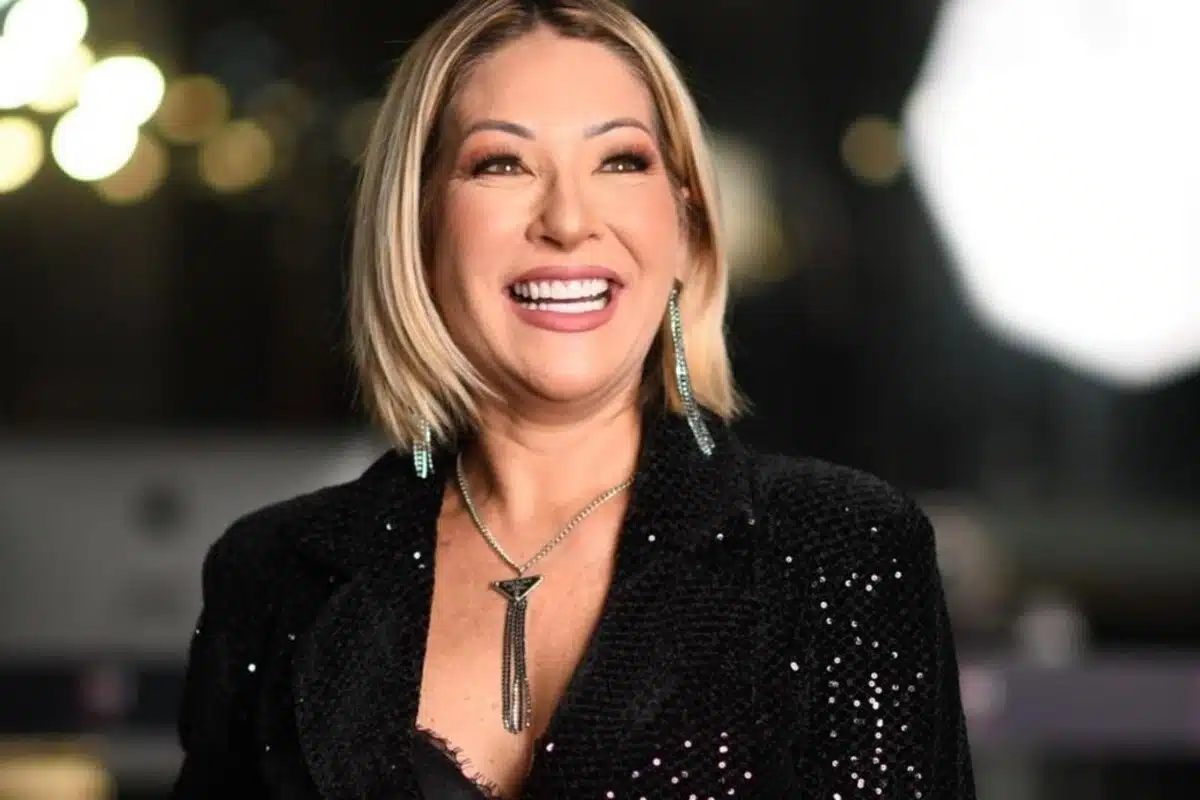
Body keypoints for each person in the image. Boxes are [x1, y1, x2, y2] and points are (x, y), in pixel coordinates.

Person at [171, 0, 976, 797]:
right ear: (418, 226)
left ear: (687, 228)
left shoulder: (842, 551)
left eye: (620, 161)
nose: (566, 219)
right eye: (502, 164)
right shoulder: (271, 575)